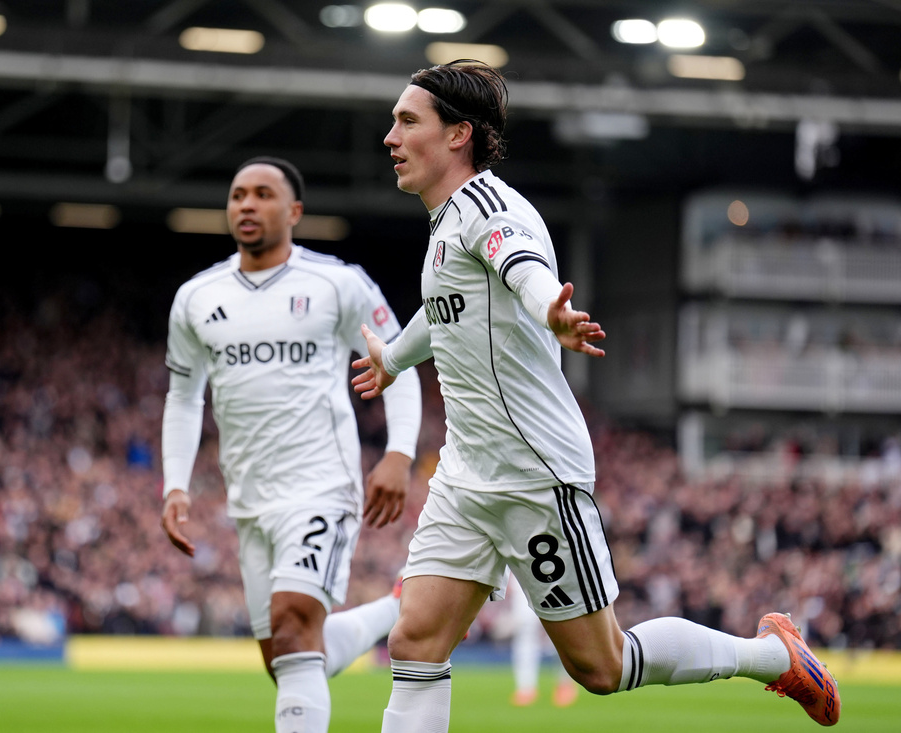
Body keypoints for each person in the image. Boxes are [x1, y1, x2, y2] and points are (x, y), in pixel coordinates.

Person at [351, 60, 840, 730]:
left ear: (459, 134)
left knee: (602, 666)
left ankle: (771, 654)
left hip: (533, 475)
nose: (391, 136)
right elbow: (441, 311)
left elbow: (522, 270)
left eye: (407, 121)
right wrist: (394, 360)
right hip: (466, 477)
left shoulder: (493, 212)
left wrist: (551, 308)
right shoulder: (445, 225)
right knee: (414, 642)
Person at [160, 156, 422, 733]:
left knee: (293, 623)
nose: (246, 205)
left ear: (295, 211)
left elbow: (398, 361)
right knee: (290, 657)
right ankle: (398, 610)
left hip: (321, 484)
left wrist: (398, 454)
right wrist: (175, 485)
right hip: (249, 500)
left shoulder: (337, 283)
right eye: (237, 195)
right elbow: (184, 398)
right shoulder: (197, 298)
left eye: (262, 194)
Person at [507, 575, 578, 708]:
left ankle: (565, 683)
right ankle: (525, 688)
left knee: (561, 627)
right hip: (521, 568)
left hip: (556, 570)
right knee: (525, 629)